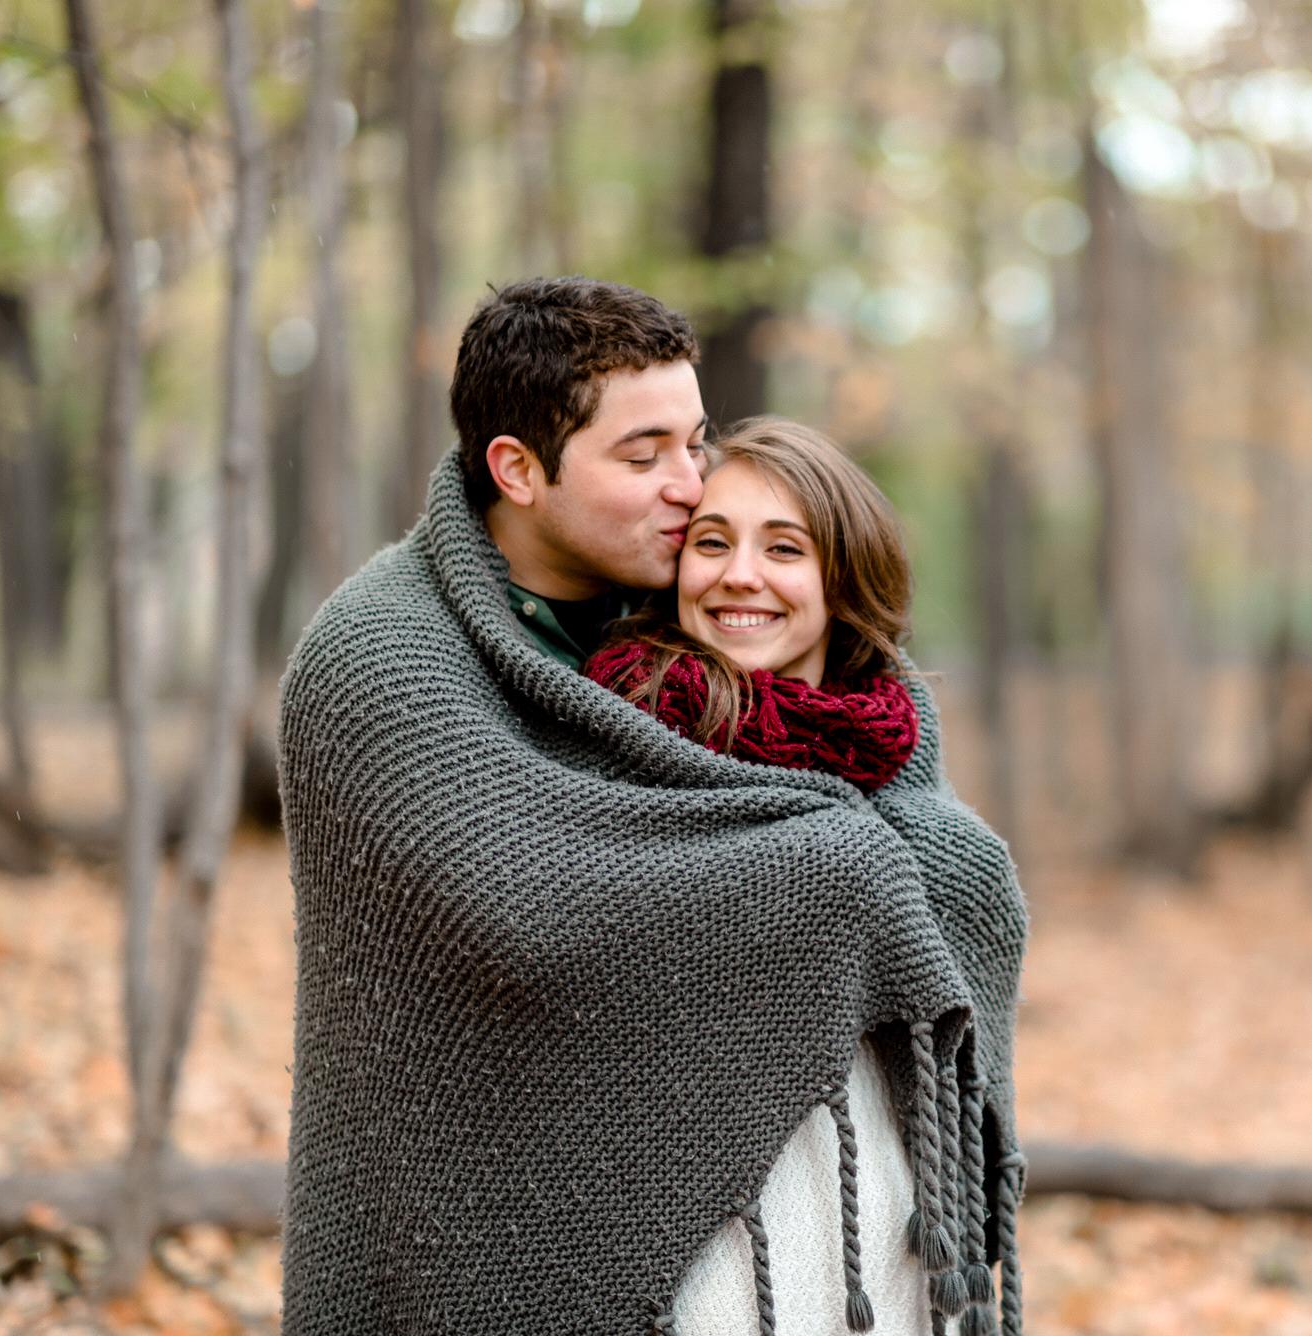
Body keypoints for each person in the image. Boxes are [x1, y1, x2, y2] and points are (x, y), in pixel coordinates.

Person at [276, 278, 1030, 1336]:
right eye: (643, 457)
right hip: (497, 1189)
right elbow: (537, 916)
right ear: (518, 470)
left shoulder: (685, 588)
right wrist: (835, 868)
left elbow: (889, 773)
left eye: (695, 439)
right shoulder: (385, 658)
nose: (689, 485)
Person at [583, 417, 950, 1334]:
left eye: (783, 548)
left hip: (888, 1220)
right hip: (701, 1228)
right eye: (712, 543)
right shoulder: (619, 729)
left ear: (843, 575)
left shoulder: (897, 749)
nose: (739, 575)